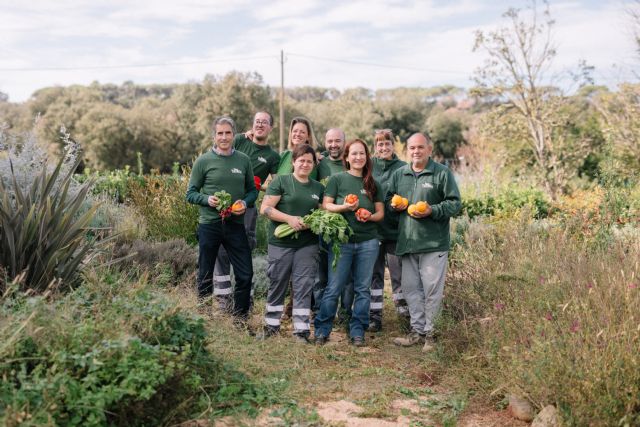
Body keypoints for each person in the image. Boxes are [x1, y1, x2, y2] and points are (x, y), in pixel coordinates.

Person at [387, 132, 461, 352]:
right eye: (412, 148)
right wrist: (394, 206)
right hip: (408, 243)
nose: (416, 152)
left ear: (430, 149)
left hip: (432, 244)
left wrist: (432, 210)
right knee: (410, 290)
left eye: (420, 147)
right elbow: (389, 199)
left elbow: (454, 204)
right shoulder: (400, 174)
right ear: (407, 150)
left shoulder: (441, 173)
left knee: (431, 292)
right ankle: (417, 332)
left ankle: (432, 335)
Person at [186, 116, 258, 322]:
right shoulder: (203, 161)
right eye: (220, 133)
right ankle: (203, 316)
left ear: (234, 135)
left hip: (235, 225)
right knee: (206, 273)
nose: (224, 137)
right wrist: (207, 199)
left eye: (228, 133)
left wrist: (245, 203)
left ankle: (240, 318)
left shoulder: (243, 160)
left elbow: (252, 191)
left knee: (245, 273)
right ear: (214, 136)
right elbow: (190, 193)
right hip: (210, 225)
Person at [314, 139, 384, 347]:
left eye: (362, 153)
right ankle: (322, 329)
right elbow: (326, 206)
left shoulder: (373, 183)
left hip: (368, 242)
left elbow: (380, 213)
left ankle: (357, 330)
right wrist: (344, 207)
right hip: (341, 242)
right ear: (346, 157)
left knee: (362, 289)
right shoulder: (337, 180)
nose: (358, 157)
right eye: (354, 154)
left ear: (367, 157)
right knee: (333, 287)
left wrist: (369, 216)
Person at [212, 111, 280, 311]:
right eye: (257, 122)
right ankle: (223, 300)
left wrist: (260, 187)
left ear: (271, 128)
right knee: (220, 252)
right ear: (252, 125)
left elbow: (276, 184)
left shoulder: (272, 156)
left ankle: (245, 301)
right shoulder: (240, 141)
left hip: (247, 209)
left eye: (264, 122)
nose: (260, 125)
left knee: (243, 252)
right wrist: (240, 134)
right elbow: (221, 149)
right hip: (224, 204)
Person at [259, 144, 324, 343]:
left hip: (308, 244)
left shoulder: (318, 188)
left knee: (303, 286)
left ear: (313, 165)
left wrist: (313, 222)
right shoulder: (281, 182)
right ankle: (271, 327)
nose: (305, 164)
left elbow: (322, 213)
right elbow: (266, 208)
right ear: (293, 162)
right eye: (301, 160)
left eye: (309, 161)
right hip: (281, 243)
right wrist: (290, 219)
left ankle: (301, 331)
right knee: (277, 283)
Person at [369, 129, 408, 332]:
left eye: (387, 144)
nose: (383, 148)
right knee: (374, 275)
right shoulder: (370, 165)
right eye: (379, 144)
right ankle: (374, 317)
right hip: (373, 231)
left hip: (394, 231)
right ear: (375, 147)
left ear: (393, 145)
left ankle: (404, 316)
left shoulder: (402, 168)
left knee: (397, 275)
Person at [313, 128, 350, 315]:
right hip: (322, 226)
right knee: (321, 274)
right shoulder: (319, 163)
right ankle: (321, 311)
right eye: (330, 141)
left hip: (346, 227)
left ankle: (345, 314)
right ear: (325, 143)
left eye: (338, 141)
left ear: (345, 141)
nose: (334, 145)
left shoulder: (351, 162)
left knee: (345, 275)